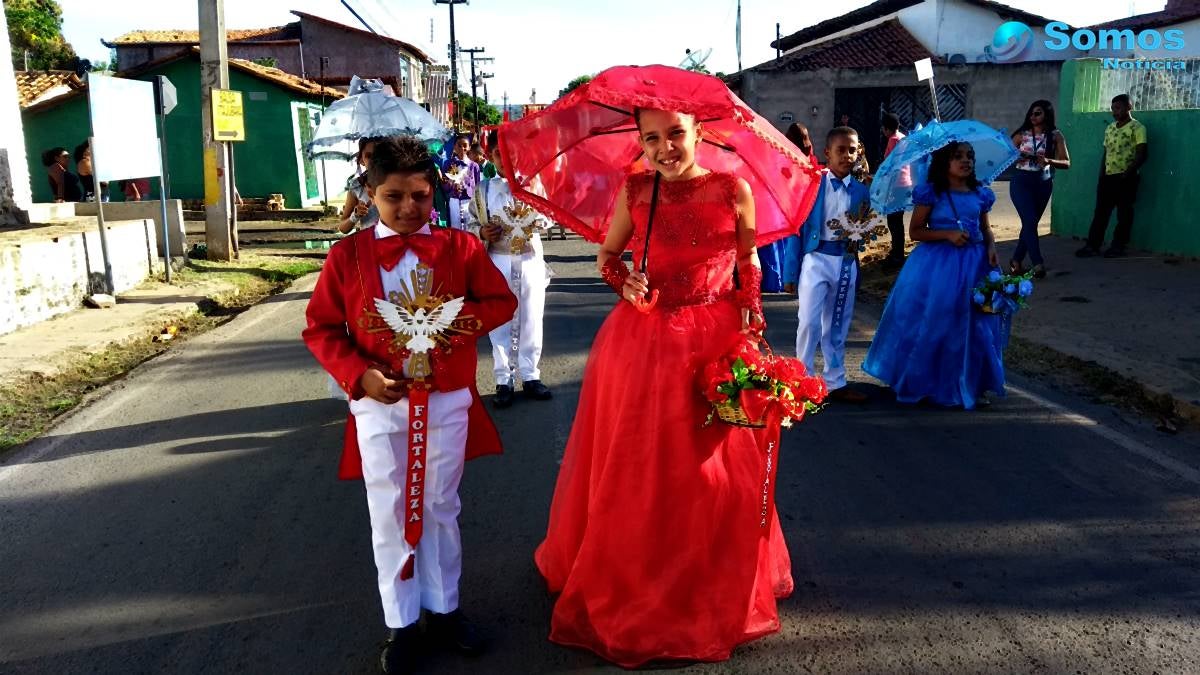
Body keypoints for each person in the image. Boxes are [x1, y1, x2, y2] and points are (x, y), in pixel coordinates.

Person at [535, 107, 792, 668]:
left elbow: (748, 259)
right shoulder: (636, 192)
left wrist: (751, 312)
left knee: (712, 464)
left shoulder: (733, 188)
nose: (664, 148)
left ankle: (707, 574)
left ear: (700, 133)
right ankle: (639, 569)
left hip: (716, 337)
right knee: (644, 460)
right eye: (652, 138)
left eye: (675, 133)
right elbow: (607, 257)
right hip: (645, 339)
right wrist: (624, 282)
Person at [302, 136, 517, 674]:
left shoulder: (461, 249)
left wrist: (448, 328)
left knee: (441, 505)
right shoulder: (345, 256)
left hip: (444, 400)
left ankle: (444, 608)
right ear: (370, 194)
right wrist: (359, 375)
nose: (407, 208)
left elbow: (500, 301)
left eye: (419, 196)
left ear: (434, 194)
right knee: (389, 510)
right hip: (379, 405)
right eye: (393, 196)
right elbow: (322, 328)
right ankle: (399, 620)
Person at [863, 142, 1005, 409]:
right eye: (958, 157)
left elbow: (986, 229)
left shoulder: (980, 193)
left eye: (970, 156)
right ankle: (927, 382)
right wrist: (947, 234)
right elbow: (916, 231)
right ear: (944, 162)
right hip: (938, 267)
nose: (966, 161)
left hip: (976, 265)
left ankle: (971, 383)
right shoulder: (931, 193)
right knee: (938, 322)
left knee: (976, 324)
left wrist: (992, 247)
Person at [782, 127, 872, 403]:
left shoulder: (861, 191)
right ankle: (803, 379)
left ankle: (835, 381)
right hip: (816, 258)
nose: (847, 156)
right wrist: (790, 272)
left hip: (845, 262)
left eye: (852, 150)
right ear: (827, 153)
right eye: (841, 150)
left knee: (837, 323)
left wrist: (861, 240)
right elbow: (796, 229)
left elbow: (863, 228)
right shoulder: (812, 184)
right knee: (809, 321)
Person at [475, 131, 553, 408]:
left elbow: (548, 215)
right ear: (491, 156)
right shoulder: (483, 189)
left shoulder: (534, 185)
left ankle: (531, 374)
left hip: (529, 258)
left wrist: (540, 222)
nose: (505, 159)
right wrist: (482, 231)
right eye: (498, 153)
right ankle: (503, 378)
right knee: (500, 320)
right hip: (498, 259)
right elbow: (469, 224)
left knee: (532, 316)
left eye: (511, 153)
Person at [1077, 93, 1147, 259]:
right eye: (1112, 109)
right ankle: (1092, 245)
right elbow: (1106, 153)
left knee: (1124, 214)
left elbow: (1142, 154)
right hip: (1108, 178)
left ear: (1129, 107)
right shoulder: (1109, 128)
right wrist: (1102, 175)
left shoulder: (1138, 128)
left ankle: (1118, 246)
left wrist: (1127, 173)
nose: (1115, 112)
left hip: (1127, 178)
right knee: (1101, 213)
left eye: (1118, 108)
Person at [1009, 100, 1071, 279]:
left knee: (1031, 223)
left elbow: (1067, 162)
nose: (1033, 117)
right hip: (1021, 181)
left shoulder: (1056, 135)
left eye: (1038, 113)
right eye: (1031, 113)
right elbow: (1005, 157)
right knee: (1029, 220)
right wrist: (1017, 158)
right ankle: (1037, 263)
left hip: (1043, 183)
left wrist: (1049, 161)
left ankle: (1016, 260)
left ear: (1047, 115)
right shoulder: (1022, 135)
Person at [761, 122, 819, 293]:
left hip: (780, 207)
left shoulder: (785, 153)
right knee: (793, 245)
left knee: (778, 246)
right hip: (801, 208)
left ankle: (778, 279)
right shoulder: (809, 158)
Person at [880, 113, 909, 270]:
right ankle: (897, 252)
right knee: (897, 221)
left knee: (894, 221)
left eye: (883, 128)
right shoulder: (903, 137)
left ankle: (897, 256)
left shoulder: (893, 140)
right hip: (904, 183)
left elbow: (890, 165)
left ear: (887, 128)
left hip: (896, 184)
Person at [337, 137, 380, 235]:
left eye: (379, 156)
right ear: (361, 159)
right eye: (369, 156)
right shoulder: (357, 186)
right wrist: (355, 215)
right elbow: (343, 228)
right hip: (369, 244)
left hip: (395, 243)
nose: (374, 161)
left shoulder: (398, 182)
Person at [440, 134, 481, 230]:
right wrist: (451, 185)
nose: (462, 148)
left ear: (469, 147)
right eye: (459, 145)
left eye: (465, 145)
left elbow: (478, 186)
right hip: (454, 201)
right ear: (454, 147)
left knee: (470, 227)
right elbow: (444, 185)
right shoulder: (448, 164)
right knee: (456, 228)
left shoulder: (474, 166)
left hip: (469, 201)